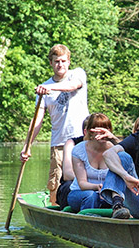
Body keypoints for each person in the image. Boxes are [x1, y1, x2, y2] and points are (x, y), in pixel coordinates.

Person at [20, 44, 89, 205]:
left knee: (85, 179)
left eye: (64, 61)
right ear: (51, 63)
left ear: (69, 62)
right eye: (57, 61)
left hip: (83, 140)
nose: (61, 64)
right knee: (55, 185)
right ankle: (56, 211)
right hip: (59, 143)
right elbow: (37, 120)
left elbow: (73, 86)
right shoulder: (43, 90)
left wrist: (49, 88)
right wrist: (27, 145)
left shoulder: (77, 74)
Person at [67, 113, 118, 212]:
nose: (103, 133)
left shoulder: (115, 149)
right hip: (81, 193)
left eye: (106, 129)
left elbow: (129, 158)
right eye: (99, 130)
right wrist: (97, 187)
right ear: (90, 131)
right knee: (91, 196)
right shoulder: (79, 150)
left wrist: (114, 139)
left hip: (107, 195)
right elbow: (82, 183)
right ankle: (89, 222)